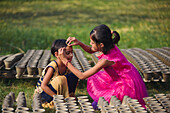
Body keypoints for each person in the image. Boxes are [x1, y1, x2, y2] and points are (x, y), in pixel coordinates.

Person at [58, 24, 148, 109]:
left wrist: (65, 61)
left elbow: (82, 76)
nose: (90, 43)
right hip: (125, 76)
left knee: (96, 105)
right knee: (94, 78)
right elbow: (90, 50)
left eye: (92, 42)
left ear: (101, 45)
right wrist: (80, 43)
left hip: (127, 85)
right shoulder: (109, 44)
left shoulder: (106, 60)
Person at [34, 39, 79, 108]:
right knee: (60, 79)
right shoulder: (53, 66)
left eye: (72, 52)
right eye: (67, 53)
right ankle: (57, 100)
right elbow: (43, 86)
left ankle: (70, 97)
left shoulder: (67, 65)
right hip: (44, 94)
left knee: (74, 75)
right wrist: (56, 97)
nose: (71, 55)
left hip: (56, 91)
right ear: (57, 54)